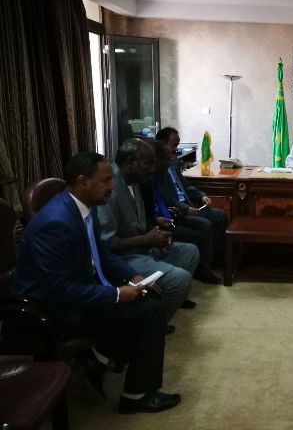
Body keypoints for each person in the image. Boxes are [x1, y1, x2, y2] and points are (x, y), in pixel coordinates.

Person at [12, 151, 181, 414]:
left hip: (76, 292)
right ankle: (136, 396)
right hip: (49, 310)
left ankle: (97, 360)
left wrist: (133, 277)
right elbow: (59, 290)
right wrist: (117, 294)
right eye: (105, 180)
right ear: (83, 181)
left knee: (149, 294)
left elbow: (100, 253)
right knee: (150, 312)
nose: (112, 186)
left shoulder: (83, 208)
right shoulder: (55, 223)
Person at [97, 138, 199, 326]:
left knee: (190, 252)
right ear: (130, 163)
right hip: (123, 258)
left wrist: (157, 234)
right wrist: (147, 239)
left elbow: (137, 223)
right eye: (147, 163)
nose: (152, 169)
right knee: (180, 280)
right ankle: (150, 326)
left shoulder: (135, 181)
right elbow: (107, 245)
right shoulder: (110, 188)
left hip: (143, 249)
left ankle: (156, 310)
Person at [144, 140, 219, 284]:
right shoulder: (148, 179)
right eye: (166, 160)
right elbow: (158, 203)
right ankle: (196, 271)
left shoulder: (166, 168)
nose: (170, 161)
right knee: (198, 233)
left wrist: (199, 195)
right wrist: (161, 217)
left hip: (172, 213)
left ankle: (206, 265)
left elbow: (177, 190)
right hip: (161, 222)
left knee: (209, 222)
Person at [155, 127, 228, 271]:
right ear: (162, 144)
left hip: (189, 205)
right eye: (174, 145)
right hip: (176, 211)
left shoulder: (173, 162)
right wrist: (185, 208)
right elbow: (164, 198)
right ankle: (204, 267)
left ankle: (216, 258)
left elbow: (185, 185)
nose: (176, 149)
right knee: (205, 224)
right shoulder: (158, 167)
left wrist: (201, 195)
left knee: (220, 216)